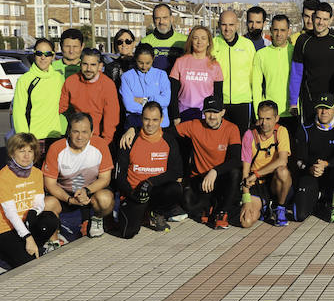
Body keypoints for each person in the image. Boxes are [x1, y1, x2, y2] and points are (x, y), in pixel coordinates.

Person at [0, 133, 62, 272]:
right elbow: (10, 213)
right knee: (28, 265)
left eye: (30, 151)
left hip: (26, 223)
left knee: (50, 220)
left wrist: (33, 212)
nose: (26, 155)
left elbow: (39, 201)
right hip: (6, 228)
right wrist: (28, 238)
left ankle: (26, 246)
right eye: (22, 151)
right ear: (12, 153)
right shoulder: (2, 178)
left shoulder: (36, 173)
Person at [42, 112, 116, 239]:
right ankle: (53, 240)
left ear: (92, 132)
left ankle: (97, 219)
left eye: (84, 132)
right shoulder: (56, 148)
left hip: (89, 191)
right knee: (47, 204)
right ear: (69, 132)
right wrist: (70, 200)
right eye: (75, 131)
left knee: (106, 199)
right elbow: (50, 184)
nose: (80, 136)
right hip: (65, 194)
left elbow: (105, 179)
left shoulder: (100, 145)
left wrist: (86, 191)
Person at [115, 102, 183, 237]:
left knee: (176, 188)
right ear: (141, 119)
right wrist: (131, 194)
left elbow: (176, 171)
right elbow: (118, 176)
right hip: (134, 193)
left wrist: (151, 182)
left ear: (162, 120)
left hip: (155, 191)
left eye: (155, 120)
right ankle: (140, 214)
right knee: (127, 233)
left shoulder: (169, 140)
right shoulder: (129, 139)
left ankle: (157, 212)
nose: (150, 124)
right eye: (146, 119)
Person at [175, 95, 242, 228]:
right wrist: (133, 130)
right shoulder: (194, 125)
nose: (211, 116)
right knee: (189, 204)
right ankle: (209, 206)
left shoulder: (232, 128)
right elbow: (166, 134)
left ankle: (222, 212)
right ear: (203, 113)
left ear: (223, 112)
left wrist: (215, 171)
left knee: (235, 172)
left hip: (220, 177)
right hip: (200, 179)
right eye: (208, 112)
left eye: (215, 112)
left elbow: (236, 160)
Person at [289, 2, 334, 120]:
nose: (321, 22)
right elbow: (296, 74)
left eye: (325, 19)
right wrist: (293, 102)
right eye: (318, 18)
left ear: (331, 20)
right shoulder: (303, 40)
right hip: (310, 100)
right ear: (314, 17)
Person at [293, 94, 334, 223]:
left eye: (328, 108)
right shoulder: (305, 128)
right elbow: (299, 160)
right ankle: (318, 198)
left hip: (331, 172)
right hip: (311, 173)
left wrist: (326, 164)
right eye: (320, 108)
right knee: (299, 216)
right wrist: (310, 168)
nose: (324, 112)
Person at [239, 101, 293, 228]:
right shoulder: (249, 135)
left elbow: (282, 160)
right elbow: (245, 173)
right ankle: (264, 208)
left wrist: (256, 174)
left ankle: (279, 207)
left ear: (277, 118)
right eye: (261, 118)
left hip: (275, 181)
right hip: (256, 184)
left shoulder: (281, 131)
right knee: (245, 222)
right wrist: (246, 200)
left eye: (268, 119)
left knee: (283, 171)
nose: (264, 123)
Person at [12, 38, 66, 153]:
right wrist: (25, 140)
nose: (43, 57)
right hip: (34, 138)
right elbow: (18, 113)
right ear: (34, 54)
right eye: (39, 53)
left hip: (55, 135)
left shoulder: (58, 78)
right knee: (35, 171)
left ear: (53, 56)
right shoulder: (25, 80)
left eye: (47, 54)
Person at [59, 48, 120, 145]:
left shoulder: (108, 85)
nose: (88, 69)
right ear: (80, 64)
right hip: (75, 135)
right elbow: (60, 106)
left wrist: (105, 142)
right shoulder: (71, 81)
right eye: (85, 64)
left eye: (93, 65)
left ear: (100, 66)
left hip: (97, 137)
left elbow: (111, 118)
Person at [169, 25, 223, 124]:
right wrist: (175, 116)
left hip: (205, 116)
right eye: (195, 38)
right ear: (191, 41)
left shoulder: (215, 65)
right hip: (183, 115)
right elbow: (173, 93)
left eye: (203, 38)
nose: (199, 42)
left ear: (208, 42)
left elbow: (218, 95)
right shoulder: (180, 62)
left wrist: (216, 116)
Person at [213, 9, 256, 131]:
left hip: (243, 101)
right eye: (224, 24)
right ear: (218, 25)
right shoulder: (212, 44)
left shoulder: (247, 45)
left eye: (231, 25)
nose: (227, 29)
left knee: (241, 140)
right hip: (221, 102)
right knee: (221, 142)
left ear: (237, 25)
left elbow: (255, 75)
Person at [252, 14, 294, 123]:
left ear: (289, 31)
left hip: (293, 112)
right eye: (275, 30)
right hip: (269, 115)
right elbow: (257, 87)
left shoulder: (295, 53)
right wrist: (258, 114)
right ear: (270, 30)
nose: (279, 34)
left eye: (283, 30)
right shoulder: (261, 54)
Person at [119, 43, 171, 129]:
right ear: (135, 59)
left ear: (153, 59)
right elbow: (128, 105)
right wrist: (155, 105)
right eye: (140, 63)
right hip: (136, 125)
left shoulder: (161, 75)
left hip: (160, 126)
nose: (144, 66)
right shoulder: (126, 77)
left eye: (148, 63)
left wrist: (144, 100)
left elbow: (165, 101)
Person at [141, 3, 186, 73]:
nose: (161, 22)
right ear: (153, 20)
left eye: (165, 18)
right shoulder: (145, 42)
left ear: (171, 19)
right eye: (157, 18)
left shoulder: (184, 41)